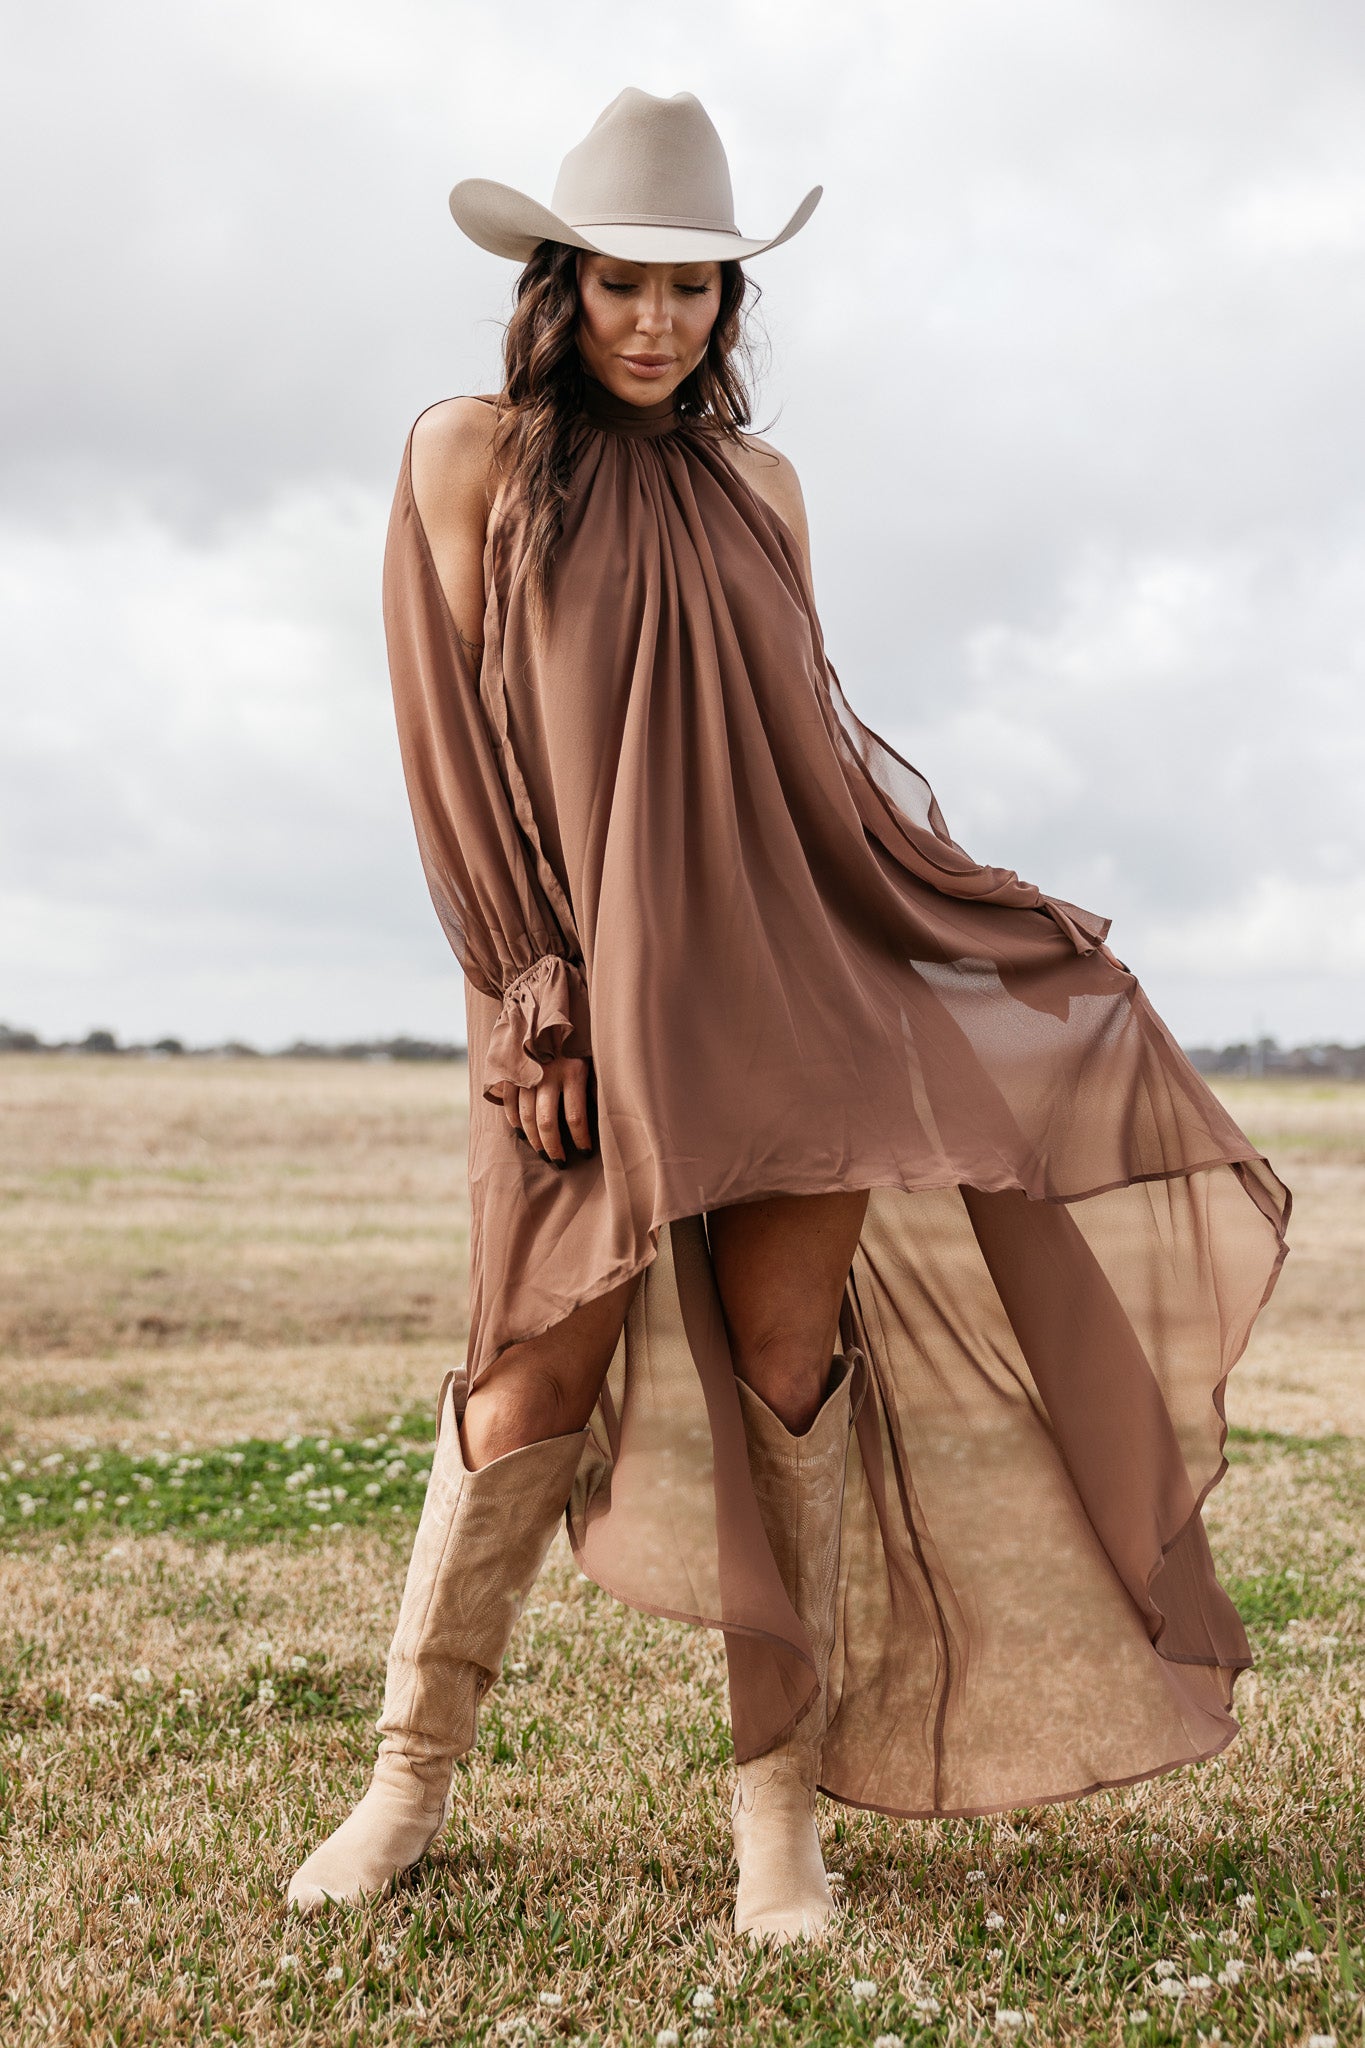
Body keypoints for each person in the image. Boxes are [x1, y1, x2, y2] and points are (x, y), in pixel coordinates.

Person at [287, 87, 1290, 1940]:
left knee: (786, 1389)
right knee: (526, 1385)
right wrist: (528, 987)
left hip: (791, 1001)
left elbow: (803, 766)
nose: (657, 321)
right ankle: (402, 1785)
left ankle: (780, 1834)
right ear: (559, 283)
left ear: (728, 302)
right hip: (586, 1004)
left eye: (694, 287)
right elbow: (450, 749)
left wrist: (963, 910)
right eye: (622, 284)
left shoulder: (765, 490)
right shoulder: (468, 456)